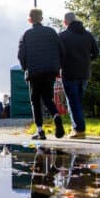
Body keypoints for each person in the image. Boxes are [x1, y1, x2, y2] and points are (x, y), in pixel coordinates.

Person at [17, 8, 65, 140]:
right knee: (48, 98)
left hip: (34, 71)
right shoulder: (52, 32)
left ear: (30, 19)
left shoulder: (26, 35)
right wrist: (57, 67)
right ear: (42, 18)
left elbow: (21, 55)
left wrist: (25, 68)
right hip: (50, 70)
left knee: (35, 100)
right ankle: (56, 115)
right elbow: (61, 50)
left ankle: (40, 131)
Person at [59, 12, 99, 139]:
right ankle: (77, 127)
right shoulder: (88, 35)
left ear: (65, 22)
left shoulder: (62, 36)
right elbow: (96, 53)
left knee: (73, 102)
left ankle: (79, 130)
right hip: (85, 73)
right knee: (78, 102)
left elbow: (58, 55)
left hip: (69, 73)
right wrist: (86, 60)